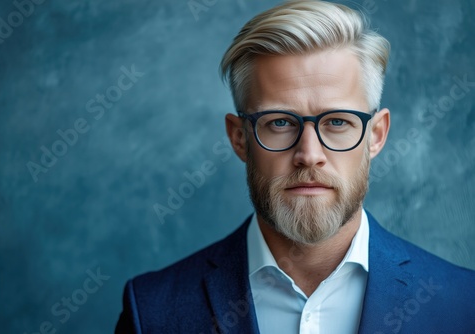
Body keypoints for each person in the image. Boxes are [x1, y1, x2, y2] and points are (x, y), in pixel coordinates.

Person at [115, 1, 475, 333]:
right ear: (239, 138)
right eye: (279, 122)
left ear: (375, 135)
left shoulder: (464, 305)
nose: (309, 154)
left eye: (337, 122)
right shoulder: (151, 310)